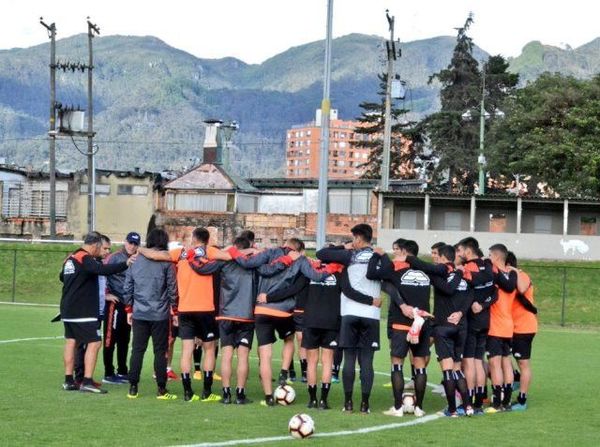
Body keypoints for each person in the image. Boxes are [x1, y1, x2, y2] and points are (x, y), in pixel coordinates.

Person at [228, 237, 330, 406]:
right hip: (284, 311)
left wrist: (232, 250)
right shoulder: (301, 259)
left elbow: (247, 264)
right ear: (298, 250)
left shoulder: (268, 253)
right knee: (289, 339)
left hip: (262, 309)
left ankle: (268, 396)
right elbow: (316, 276)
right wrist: (332, 268)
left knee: (265, 355)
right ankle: (284, 370)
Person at [141, 227, 233, 402]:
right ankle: (207, 392)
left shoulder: (181, 252)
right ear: (207, 240)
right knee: (209, 349)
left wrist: (139, 249)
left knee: (186, 351)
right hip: (205, 309)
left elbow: (156, 255)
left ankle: (188, 392)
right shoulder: (209, 251)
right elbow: (228, 257)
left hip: (184, 309)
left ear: (193, 238)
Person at [316, 224, 382, 414]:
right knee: (367, 361)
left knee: (349, 359)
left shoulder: (349, 255)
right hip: (371, 314)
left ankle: (348, 403)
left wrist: (341, 248)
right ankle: (365, 405)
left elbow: (321, 253)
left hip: (350, 313)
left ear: (359, 238)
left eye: (353, 238)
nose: (352, 242)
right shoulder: (378, 257)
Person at [403, 244, 474, 417]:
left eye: (436, 255)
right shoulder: (465, 276)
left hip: (443, 327)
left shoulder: (438, 275)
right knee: (457, 369)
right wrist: (461, 313)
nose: (434, 258)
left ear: (443, 258)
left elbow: (425, 269)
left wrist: (408, 257)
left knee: (448, 370)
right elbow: (471, 296)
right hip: (461, 327)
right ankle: (468, 407)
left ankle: (451, 410)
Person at [188, 236, 256, 404]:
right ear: (249, 247)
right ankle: (240, 395)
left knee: (226, 355)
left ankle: (226, 395)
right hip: (246, 315)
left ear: (234, 246)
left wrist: (225, 250)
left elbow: (202, 268)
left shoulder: (223, 261)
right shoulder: (254, 262)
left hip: (226, 314)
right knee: (243, 356)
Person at [367, 239, 432, 418]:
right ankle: (419, 408)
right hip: (422, 322)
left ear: (404, 252)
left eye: (396, 250)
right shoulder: (426, 270)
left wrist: (379, 255)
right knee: (419, 366)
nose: (394, 253)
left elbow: (372, 274)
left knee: (397, 364)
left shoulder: (396, 266)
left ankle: (397, 408)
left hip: (401, 323)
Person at [60, 232, 131, 393]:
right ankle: (87, 381)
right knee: (95, 342)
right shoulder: (84, 258)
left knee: (72, 342)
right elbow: (102, 270)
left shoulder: (71, 258)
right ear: (95, 245)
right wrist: (126, 263)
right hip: (82, 310)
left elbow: (61, 277)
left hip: (68, 308)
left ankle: (68, 380)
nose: (103, 251)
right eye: (102, 247)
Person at [123, 228, 178, 400]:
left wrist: (129, 309)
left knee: (137, 350)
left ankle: (133, 387)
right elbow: (172, 289)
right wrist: (174, 309)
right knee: (160, 351)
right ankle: (161, 389)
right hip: (160, 314)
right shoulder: (166, 262)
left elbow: (128, 287)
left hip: (140, 312)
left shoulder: (135, 260)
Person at [455, 237, 496, 414]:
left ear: (468, 251)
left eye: (460, 251)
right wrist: (484, 304)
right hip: (486, 320)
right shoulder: (487, 266)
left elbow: (469, 289)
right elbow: (495, 291)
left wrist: (460, 271)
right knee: (479, 361)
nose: (459, 254)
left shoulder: (469, 267)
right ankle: (479, 401)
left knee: (469, 362)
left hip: (472, 320)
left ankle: (468, 401)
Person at [102, 231, 140, 385]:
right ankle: (108, 373)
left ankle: (122, 371)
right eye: (130, 242)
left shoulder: (139, 258)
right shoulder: (115, 257)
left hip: (129, 305)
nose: (132, 246)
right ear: (125, 242)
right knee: (111, 338)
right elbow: (101, 273)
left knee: (125, 338)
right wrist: (105, 294)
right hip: (115, 304)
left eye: (135, 243)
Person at [486, 243, 518, 413]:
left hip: (496, 328)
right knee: (507, 364)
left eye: (490, 255)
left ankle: (496, 402)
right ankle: (506, 401)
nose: (488, 258)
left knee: (495, 364)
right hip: (508, 326)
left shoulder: (494, 275)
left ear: (497, 257)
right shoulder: (511, 275)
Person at [506, 251, 537, 411]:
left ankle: (522, 399)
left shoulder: (522, 276)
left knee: (523, 363)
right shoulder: (508, 277)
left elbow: (522, 288)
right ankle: (515, 378)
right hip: (510, 327)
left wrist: (514, 271)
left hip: (524, 328)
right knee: (500, 355)